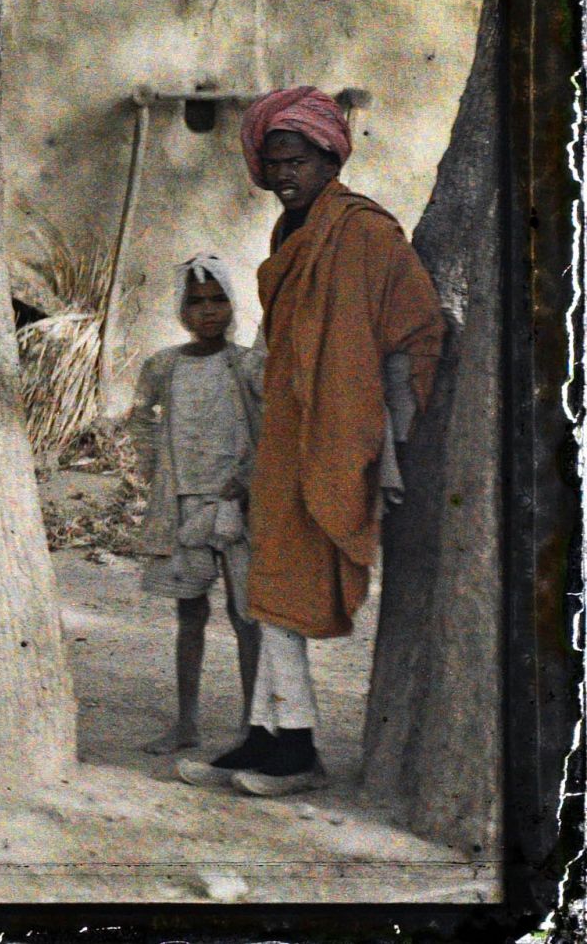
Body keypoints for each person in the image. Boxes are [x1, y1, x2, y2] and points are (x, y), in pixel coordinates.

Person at [179, 86, 443, 797]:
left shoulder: (364, 231)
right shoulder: (289, 232)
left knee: (284, 586)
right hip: (287, 428)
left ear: (331, 156)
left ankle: (294, 748)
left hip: (335, 428)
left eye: (297, 160)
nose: (284, 175)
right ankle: (270, 737)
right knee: (269, 585)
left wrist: (387, 428)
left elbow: (418, 326)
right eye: (274, 163)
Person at [129, 253, 264, 756]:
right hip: (184, 503)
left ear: (230, 305)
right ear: (182, 310)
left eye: (217, 300)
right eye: (197, 303)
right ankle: (186, 723)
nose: (208, 311)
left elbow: (272, 425)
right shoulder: (163, 365)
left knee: (245, 613)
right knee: (190, 613)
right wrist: (155, 471)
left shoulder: (247, 363)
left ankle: (252, 728)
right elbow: (140, 417)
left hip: (236, 507)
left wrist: (249, 479)